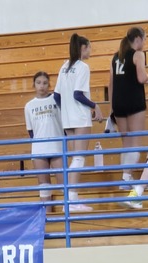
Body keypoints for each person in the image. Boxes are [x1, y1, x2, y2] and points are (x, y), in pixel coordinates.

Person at [54, 33, 103, 214]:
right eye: (90, 47)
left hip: (67, 119)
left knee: (74, 158)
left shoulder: (64, 67)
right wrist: (95, 105)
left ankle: (71, 198)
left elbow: (57, 96)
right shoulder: (83, 67)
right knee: (79, 158)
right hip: (80, 118)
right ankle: (72, 200)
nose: (91, 50)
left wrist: (66, 110)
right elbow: (78, 94)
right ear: (83, 48)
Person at [109, 27, 148, 183]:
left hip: (118, 103)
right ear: (138, 38)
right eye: (145, 39)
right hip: (134, 100)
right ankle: (127, 178)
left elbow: (110, 83)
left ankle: (125, 177)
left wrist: (112, 108)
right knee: (135, 141)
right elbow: (141, 78)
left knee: (125, 142)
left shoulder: (115, 57)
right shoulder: (138, 54)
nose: (145, 42)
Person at [24, 71, 63, 211]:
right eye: (39, 83)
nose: (42, 86)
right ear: (34, 85)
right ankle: (47, 216)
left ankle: (68, 212)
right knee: (43, 183)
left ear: (49, 85)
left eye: (45, 83)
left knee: (63, 181)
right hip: (39, 148)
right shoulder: (29, 106)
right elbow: (31, 131)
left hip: (57, 146)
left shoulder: (56, 100)